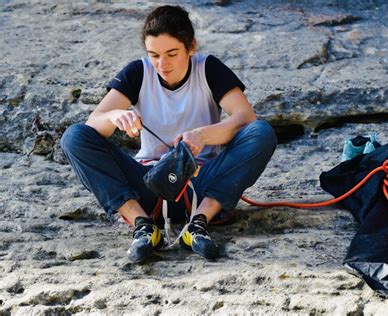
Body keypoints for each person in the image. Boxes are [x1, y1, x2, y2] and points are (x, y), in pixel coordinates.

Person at [61, 5, 277, 263]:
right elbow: (92, 125)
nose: (162, 65)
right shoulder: (138, 72)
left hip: (200, 185)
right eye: (154, 55)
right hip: (148, 185)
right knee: (74, 137)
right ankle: (142, 225)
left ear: (191, 47)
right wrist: (114, 117)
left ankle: (198, 224)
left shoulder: (208, 69)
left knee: (262, 133)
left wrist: (202, 136)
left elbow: (246, 118)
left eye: (172, 53)